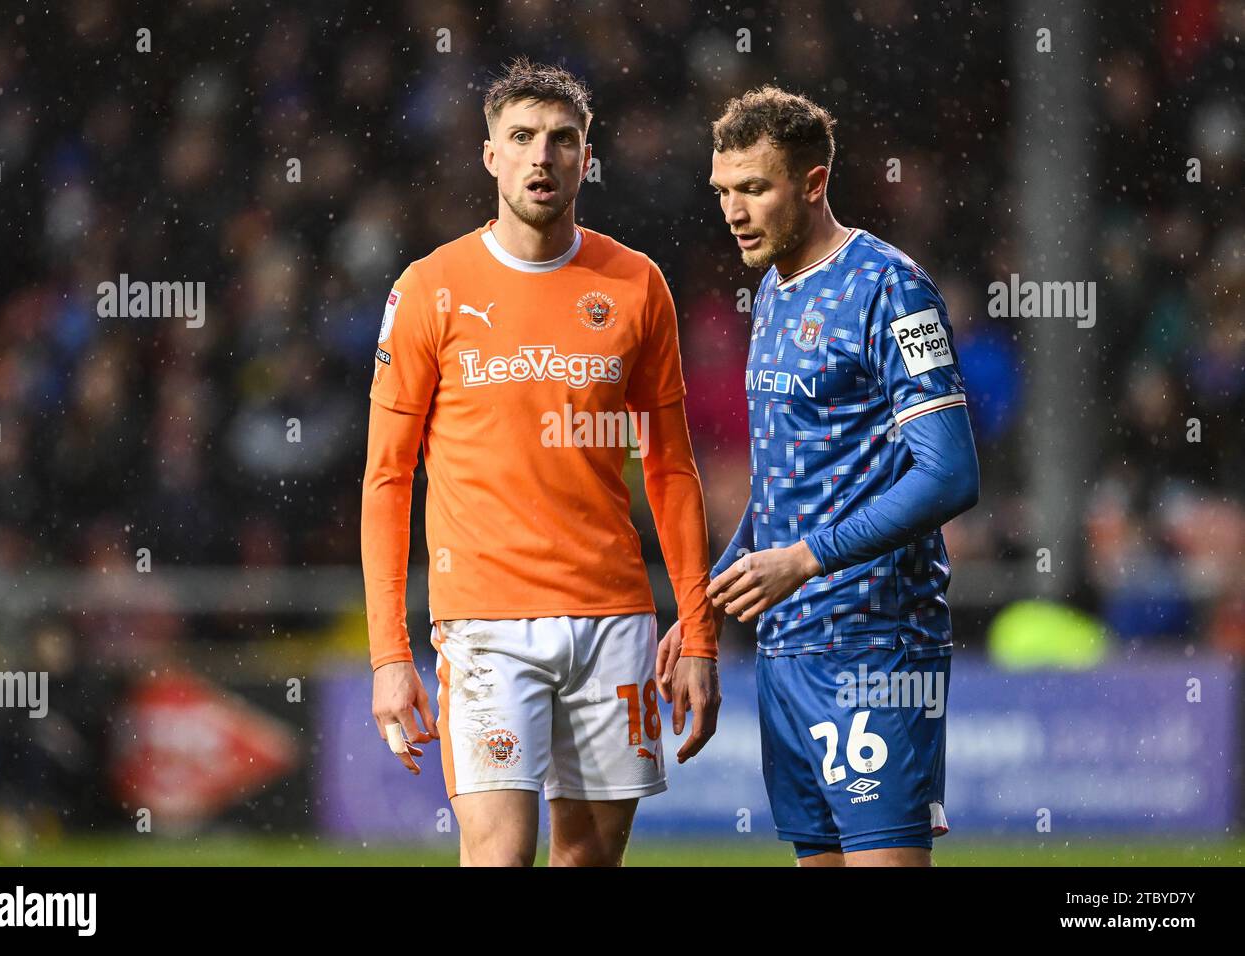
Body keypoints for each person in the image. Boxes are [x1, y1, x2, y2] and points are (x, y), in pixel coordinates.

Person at [361, 58, 720, 867]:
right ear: (490, 156)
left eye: (562, 139)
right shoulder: (430, 289)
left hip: (614, 619)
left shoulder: (637, 286)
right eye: (521, 137)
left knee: (588, 862)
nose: (542, 157)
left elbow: (670, 470)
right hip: (484, 621)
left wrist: (696, 631)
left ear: (586, 157)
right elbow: (386, 478)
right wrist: (390, 655)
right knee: (499, 858)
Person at [683, 86, 979, 867]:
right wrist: (705, 603)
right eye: (724, 191)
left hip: (874, 644)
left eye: (754, 188)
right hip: (787, 648)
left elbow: (949, 476)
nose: (734, 211)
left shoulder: (891, 288)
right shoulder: (774, 293)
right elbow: (786, 482)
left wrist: (807, 559)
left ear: (813, 183)